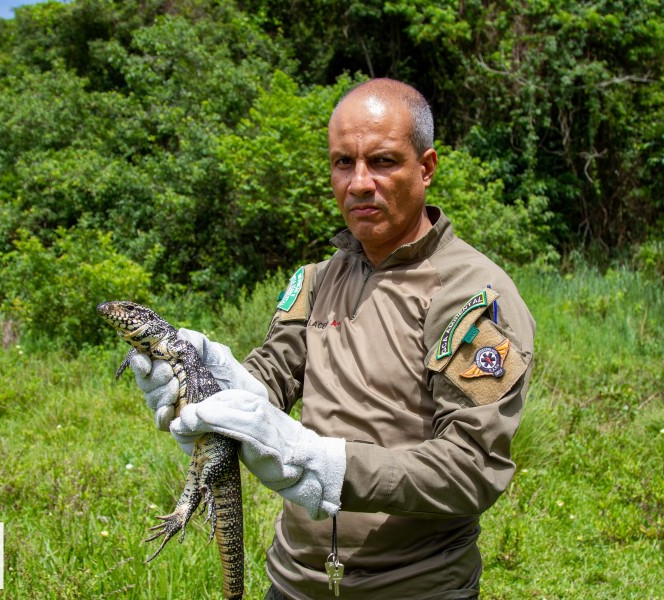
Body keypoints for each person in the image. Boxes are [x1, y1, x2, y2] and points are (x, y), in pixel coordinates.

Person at [131, 78, 535, 599]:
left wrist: (326, 464)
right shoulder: (317, 280)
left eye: (383, 161)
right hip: (292, 582)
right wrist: (209, 382)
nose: (360, 183)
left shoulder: (472, 294)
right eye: (343, 162)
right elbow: (273, 375)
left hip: (414, 588)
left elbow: (473, 467)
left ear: (427, 167)